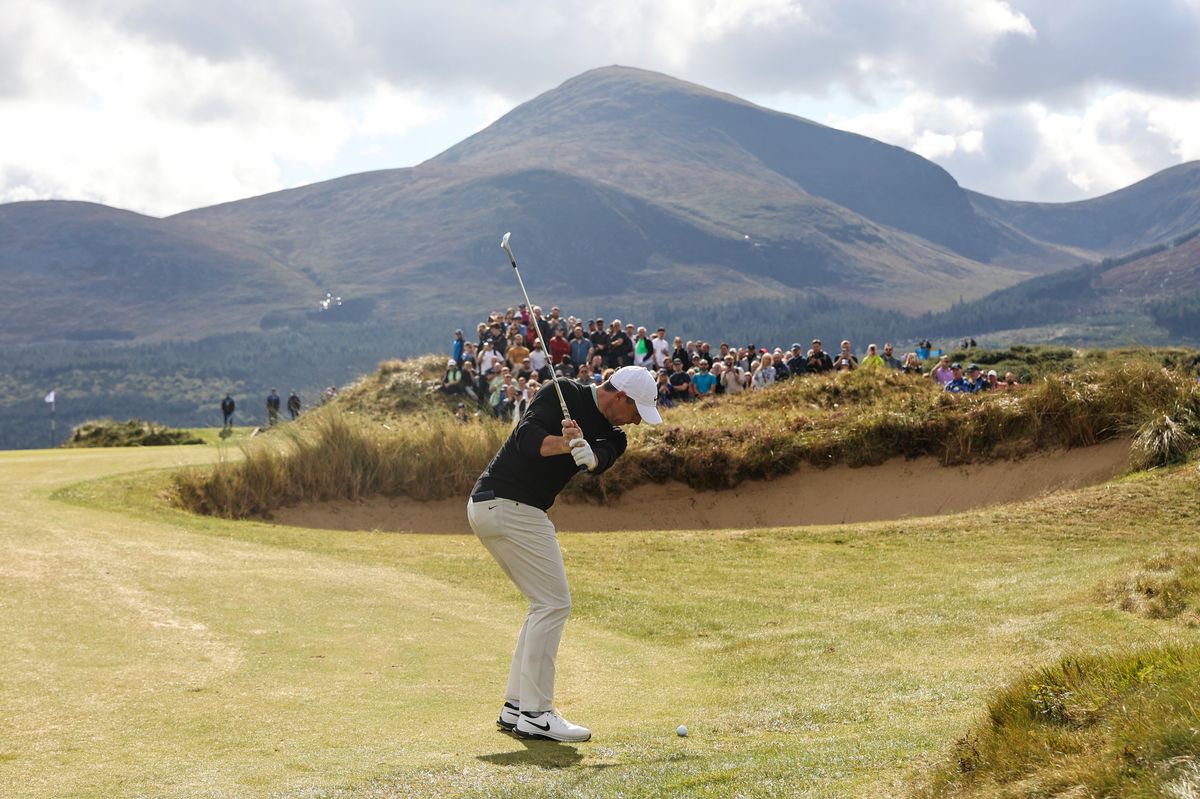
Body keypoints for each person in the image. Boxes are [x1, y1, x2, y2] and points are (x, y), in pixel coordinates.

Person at [468, 367, 662, 743]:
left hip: (496, 509)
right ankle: (537, 714)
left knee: (543, 604)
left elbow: (602, 457)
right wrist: (565, 443)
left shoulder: (616, 434)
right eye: (636, 410)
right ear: (620, 396)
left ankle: (516, 706)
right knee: (554, 605)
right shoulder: (561, 390)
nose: (638, 421)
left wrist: (588, 455)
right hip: (508, 504)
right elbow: (527, 439)